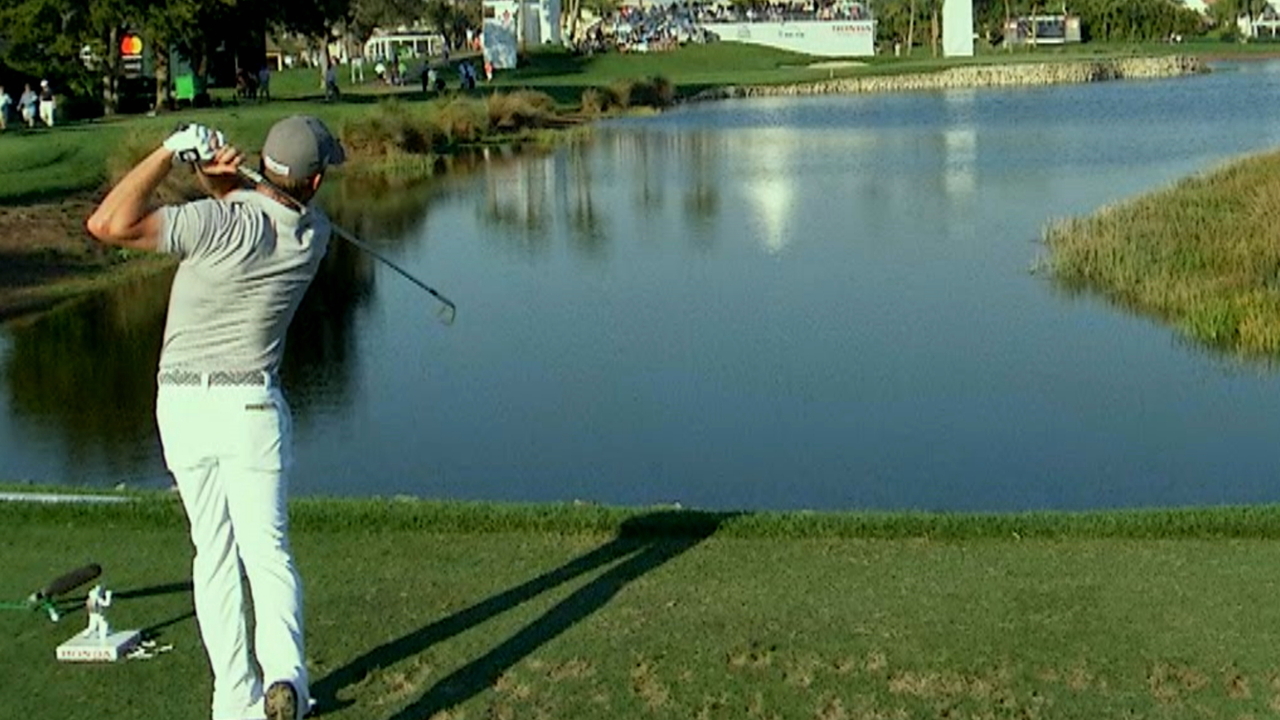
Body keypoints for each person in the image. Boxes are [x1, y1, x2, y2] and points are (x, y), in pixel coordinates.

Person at [85, 115, 346, 720]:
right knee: (268, 550)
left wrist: (169, 154)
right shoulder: (314, 235)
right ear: (312, 184)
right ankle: (286, 679)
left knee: (214, 553)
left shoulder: (216, 223)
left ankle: (235, 701)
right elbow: (256, 219)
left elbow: (107, 224)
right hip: (250, 408)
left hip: (182, 406)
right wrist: (215, 179)